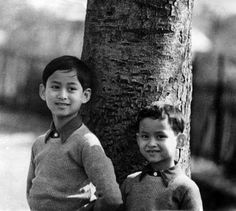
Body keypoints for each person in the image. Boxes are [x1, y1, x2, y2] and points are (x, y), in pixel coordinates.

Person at [26, 55, 122, 211]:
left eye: (71, 89)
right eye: (55, 87)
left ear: (85, 95)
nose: (62, 95)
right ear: (43, 91)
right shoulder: (39, 143)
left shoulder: (86, 143)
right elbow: (31, 189)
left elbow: (112, 198)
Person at [120, 103, 203, 211]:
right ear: (138, 139)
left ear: (180, 141)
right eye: (145, 136)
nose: (151, 143)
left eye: (160, 136)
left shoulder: (185, 188)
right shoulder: (130, 183)